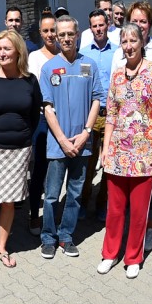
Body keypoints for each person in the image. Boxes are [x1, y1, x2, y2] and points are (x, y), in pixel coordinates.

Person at [98, 24, 152, 279]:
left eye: (133, 41)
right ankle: (109, 254)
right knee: (115, 209)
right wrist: (105, 148)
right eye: (125, 42)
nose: (129, 46)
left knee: (139, 212)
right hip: (117, 152)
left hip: (144, 152)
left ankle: (133, 257)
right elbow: (111, 114)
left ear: (142, 43)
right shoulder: (117, 74)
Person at [0, 29, 41, 270]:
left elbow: (34, 115)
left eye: (7, 48)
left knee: (10, 201)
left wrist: (23, 137)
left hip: (20, 150)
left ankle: (2, 247)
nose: (2, 53)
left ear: (18, 51)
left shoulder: (30, 80)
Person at [38, 16, 103, 259]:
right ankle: (48, 238)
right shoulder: (49, 68)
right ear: (56, 36)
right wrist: (63, 141)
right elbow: (47, 108)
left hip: (82, 143)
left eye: (70, 34)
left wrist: (86, 132)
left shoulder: (90, 65)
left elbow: (96, 99)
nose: (66, 38)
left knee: (75, 194)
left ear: (77, 35)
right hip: (58, 145)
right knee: (52, 195)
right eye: (61, 34)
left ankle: (66, 236)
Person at [80, 8, 118, 220]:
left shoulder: (118, 52)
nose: (98, 29)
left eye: (101, 25)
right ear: (90, 28)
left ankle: (103, 204)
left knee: (109, 163)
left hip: (112, 114)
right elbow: (84, 83)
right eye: (94, 26)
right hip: (92, 114)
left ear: (108, 25)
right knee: (88, 162)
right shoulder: (85, 53)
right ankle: (83, 203)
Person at [25, 11, 59, 236]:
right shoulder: (35, 58)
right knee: (39, 169)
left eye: (52, 30)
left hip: (63, 118)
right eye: (45, 31)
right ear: (40, 33)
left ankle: (53, 212)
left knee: (57, 168)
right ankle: (34, 215)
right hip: (41, 119)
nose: (50, 34)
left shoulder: (64, 56)